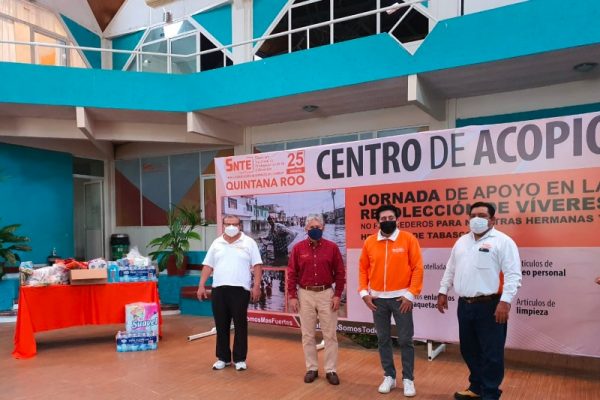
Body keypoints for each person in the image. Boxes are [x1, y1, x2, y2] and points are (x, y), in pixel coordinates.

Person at [437, 201, 522, 400]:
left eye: (482, 215)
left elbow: (513, 275)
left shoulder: (503, 241)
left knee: (491, 352)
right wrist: (443, 291)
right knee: (469, 349)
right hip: (465, 305)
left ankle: (490, 393)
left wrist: (505, 302)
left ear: (493, 220)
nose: (476, 219)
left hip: (491, 306)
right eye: (473, 215)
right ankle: (476, 387)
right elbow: (451, 268)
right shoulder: (461, 241)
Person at [358, 204, 423, 397]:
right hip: (377, 300)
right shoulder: (370, 242)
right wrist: (364, 293)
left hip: (401, 299)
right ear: (377, 221)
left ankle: (408, 379)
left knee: (405, 340)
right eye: (383, 218)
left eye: (390, 217)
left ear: (397, 219)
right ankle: (389, 376)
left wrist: (411, 294)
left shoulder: (408, 239)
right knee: (383, 339)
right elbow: (363, 269)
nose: (387, 221)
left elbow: (418, 268)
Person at [197, 215, 262, 371]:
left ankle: (239, 358)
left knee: (240, 325)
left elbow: (257, 265)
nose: (231, 227)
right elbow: (207, 266)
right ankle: (223, 358)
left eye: (235, 224)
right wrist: (201, 285)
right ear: (223, 225)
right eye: (228, 224)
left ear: (240, 226)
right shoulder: (217, 243)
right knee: (221, 324)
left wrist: (257, 286)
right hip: (219, 289)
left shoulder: (249, 242)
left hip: (240, 290)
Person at [287, 214, 346, 385]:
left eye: (318, 228)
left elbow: (340, 273)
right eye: (311, 227)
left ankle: (331, 370)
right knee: (307, 334)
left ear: (323, 228)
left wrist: (337, 295)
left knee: (330, 334)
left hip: (326, 293)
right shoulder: (298, 249)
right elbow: (291, 273)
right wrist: (292, 296)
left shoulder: (332, 248)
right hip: (304, 294)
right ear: (306, 229)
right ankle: (311, 368)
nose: (315, 230)